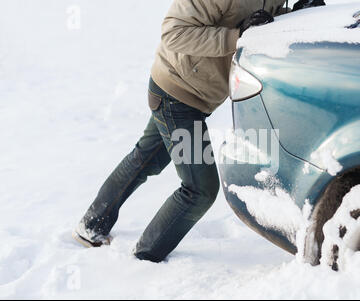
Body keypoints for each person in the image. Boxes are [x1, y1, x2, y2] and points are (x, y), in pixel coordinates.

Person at [72, 0, 288, 263]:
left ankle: (91, 226)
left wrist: (298, 13)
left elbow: (262, 20)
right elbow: (174, 33)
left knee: (146, 159)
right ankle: (145, 258)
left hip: (194, 95)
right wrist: (236, 37)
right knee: (200, 189)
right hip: (176, 93)